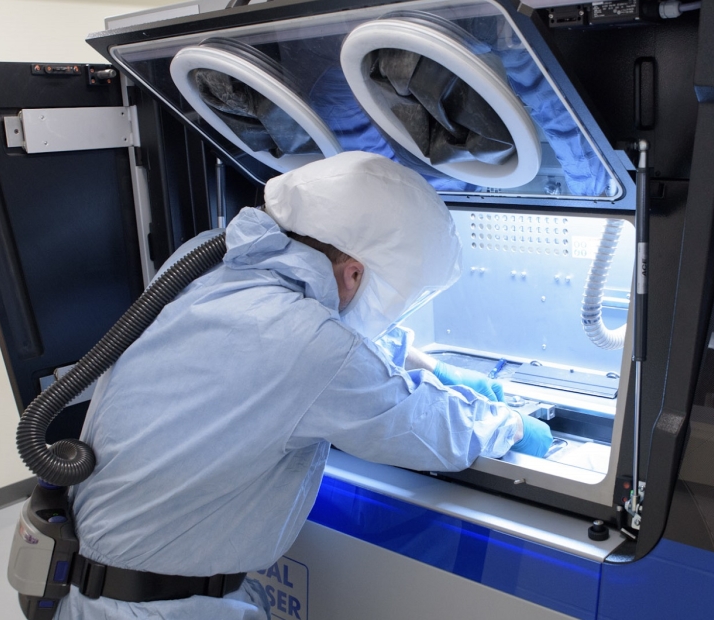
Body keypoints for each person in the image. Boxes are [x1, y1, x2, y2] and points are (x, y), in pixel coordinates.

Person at [54, 151, 552, 619]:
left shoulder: (210, 265)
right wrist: (510, 424)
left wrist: (431, 368)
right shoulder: (303, 342)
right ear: (354, 273)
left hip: (101, 586)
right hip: (158, 607)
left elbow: (329, 340)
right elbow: (431, 432)